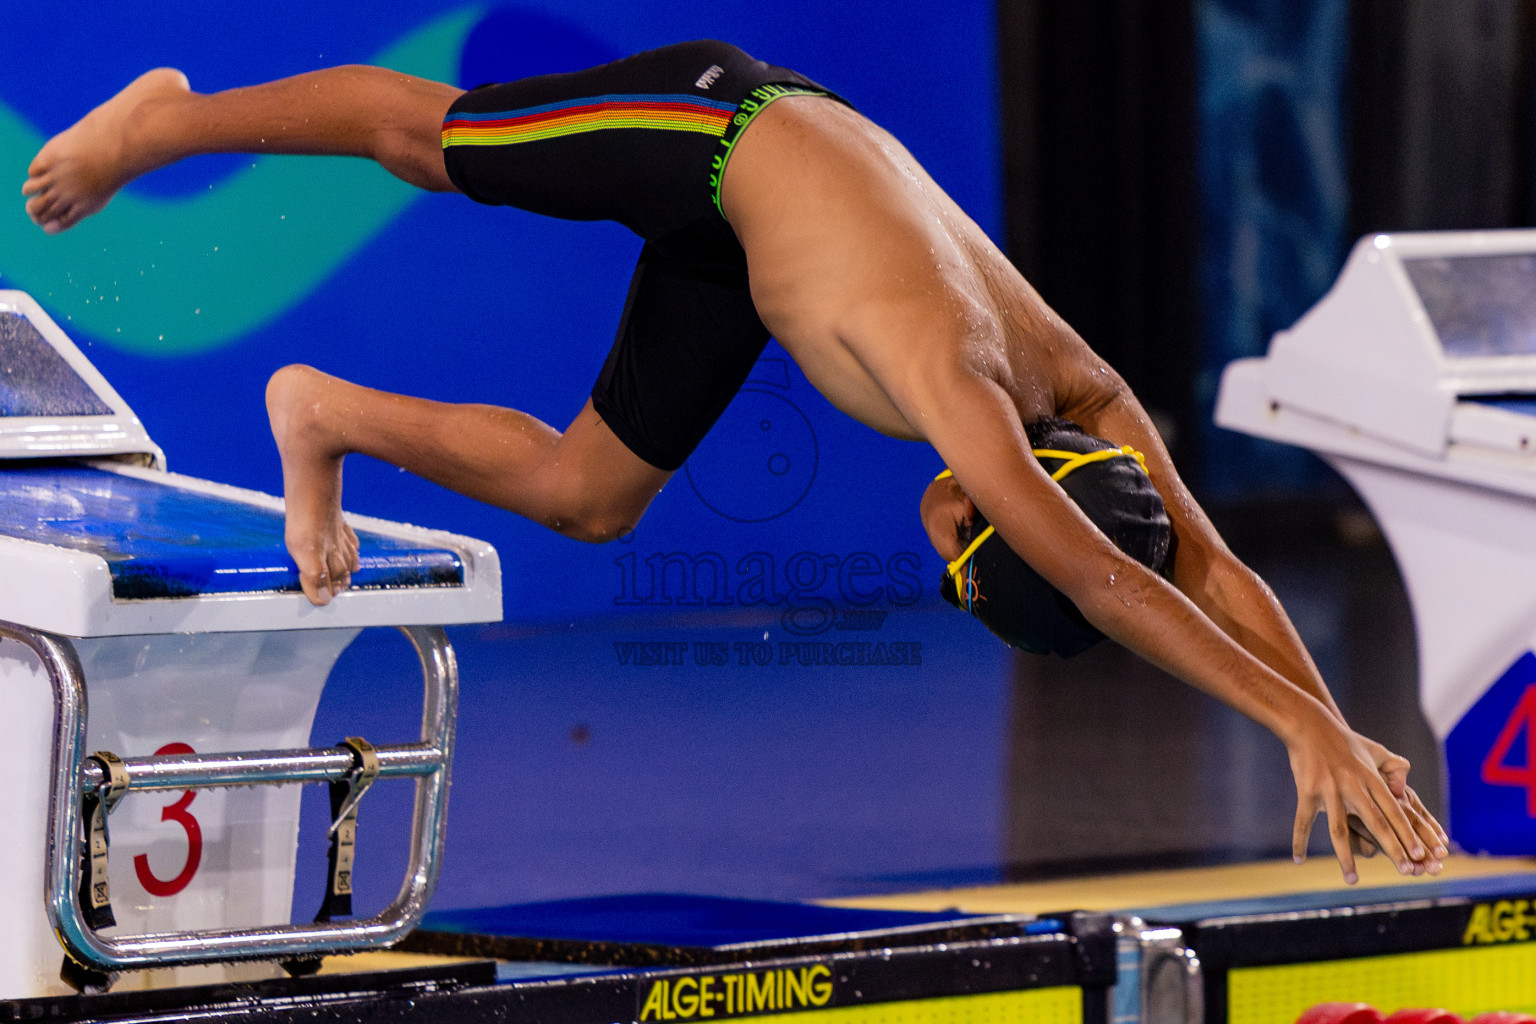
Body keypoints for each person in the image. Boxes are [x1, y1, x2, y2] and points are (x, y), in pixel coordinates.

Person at [22, 41, 1447, 883]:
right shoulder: (963, 392)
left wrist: (1342, 734)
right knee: (425, 138)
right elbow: (1114, 580)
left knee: (589, 495)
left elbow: (1204, 562)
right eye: (960, 548)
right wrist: (1292, 727)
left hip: (752, 245)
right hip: (722, 133)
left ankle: (322, 412)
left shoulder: (1092, 394)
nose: (937, 527)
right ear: (996, 506)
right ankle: (163, 123)